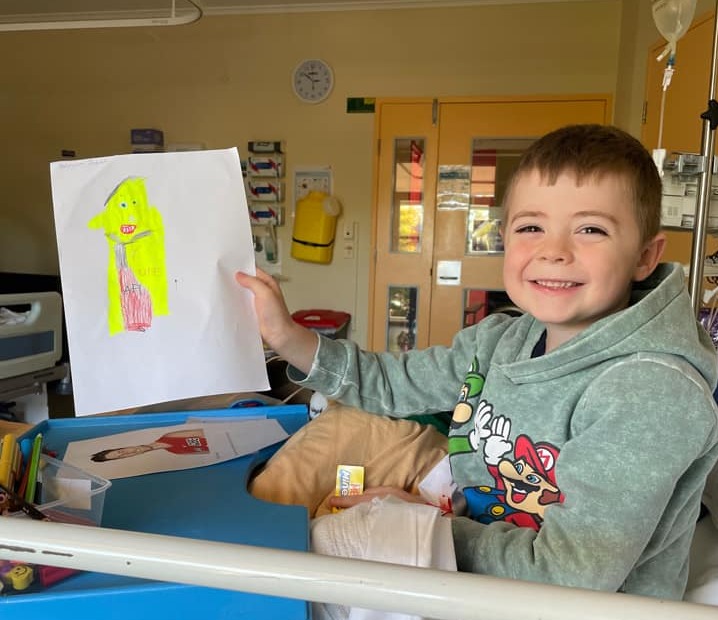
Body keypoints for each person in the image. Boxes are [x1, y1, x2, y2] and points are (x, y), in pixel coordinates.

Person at [235, 124, 718, 600]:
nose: (553, 252)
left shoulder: (650, 390)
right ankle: (242, 545)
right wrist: (286, 335)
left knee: (328, 554)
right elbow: (392, 385)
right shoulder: (503, 338)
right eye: (532, 227)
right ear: (504, 237)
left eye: (590, 229)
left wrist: (428, 527)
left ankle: (240, 577)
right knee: (352, 422)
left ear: (644, 256)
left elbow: (569, 578)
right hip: (472, 524)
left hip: (558, 600)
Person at [90, 428, 209, 462]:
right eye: (122, 456)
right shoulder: (175, 452)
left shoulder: (169, 436)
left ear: (123, 447)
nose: (128, 453)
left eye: (121, 452)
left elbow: (206, 432)